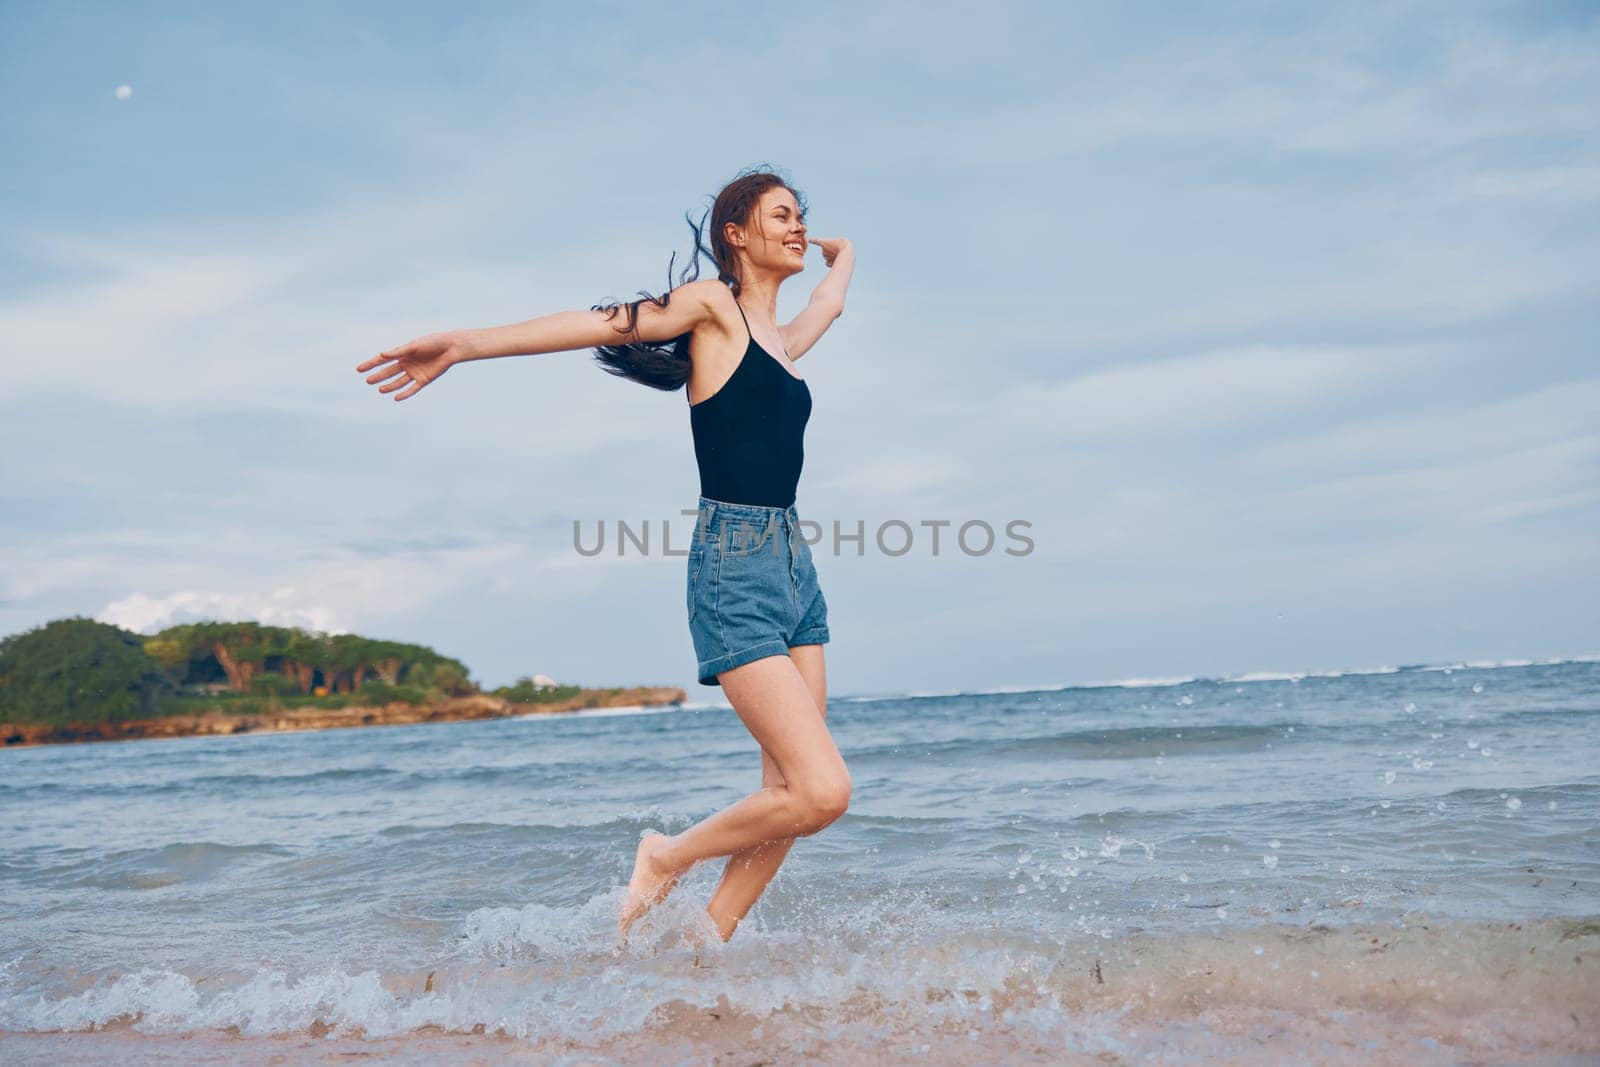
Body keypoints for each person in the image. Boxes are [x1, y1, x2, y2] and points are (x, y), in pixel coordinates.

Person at [355, 167, 858, 944]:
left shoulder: (781, 342)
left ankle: (705, 945)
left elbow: (829, 301)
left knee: (788, 794)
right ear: (736, 232)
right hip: (736, 567)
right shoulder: (711, 308)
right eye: (782, 216)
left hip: (798, 568)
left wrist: (843, 257)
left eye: (803, 217)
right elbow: (601, 323)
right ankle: (666, 855)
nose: (798, 227)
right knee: (823, 791)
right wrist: (464, 344)